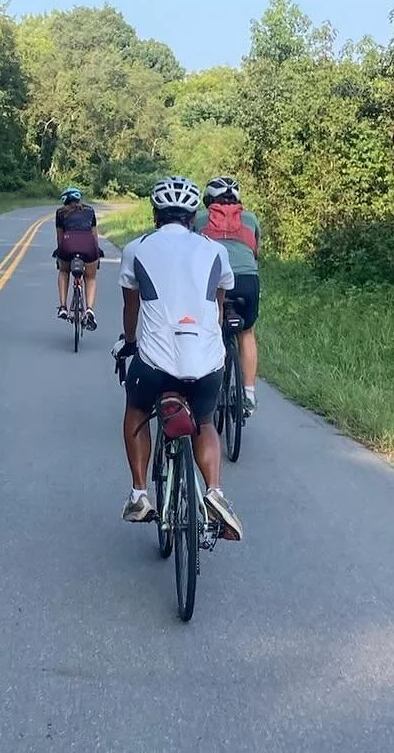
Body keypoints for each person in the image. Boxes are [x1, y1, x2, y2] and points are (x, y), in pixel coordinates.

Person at [111, 176, 244, 540]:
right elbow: (218, 302)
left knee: (137, 409)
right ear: (193, 215)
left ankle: (140, 494)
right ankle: (214, 491)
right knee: (205, 420)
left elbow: (131, 306)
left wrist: (129, 341)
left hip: (156, 360)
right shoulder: (215, 251)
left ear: (155, 213)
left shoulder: (136, 248)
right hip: (206, 359)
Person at [201, 176, 262, 415]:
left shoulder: (199, 218)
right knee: (246, 332)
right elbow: (255, 253)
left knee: (211, 330)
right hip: (248, 280)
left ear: (208, 200)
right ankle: (248, 394)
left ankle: (209, 385)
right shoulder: (250, 219)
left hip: (215, 279)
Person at [53, 187, 103, 330]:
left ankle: (63, 307)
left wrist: (60, 254)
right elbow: (94, 234)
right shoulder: (90, 211)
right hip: (88, 245)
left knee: (63, 271)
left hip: (68, 244)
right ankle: (89, 310)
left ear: (65, 201)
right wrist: (97, 254)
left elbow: (60, 236)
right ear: (79, 199)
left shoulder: (60, 213)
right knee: (91, 277)